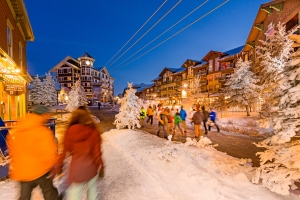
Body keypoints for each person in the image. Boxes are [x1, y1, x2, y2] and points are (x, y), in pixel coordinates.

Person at [7, 105, 62, 200]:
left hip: (22, 170)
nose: (48, 117)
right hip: (40, 170)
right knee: (49, 192)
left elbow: (13, 149)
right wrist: (52, 167)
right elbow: (49, 153)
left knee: (24, 196)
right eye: (47, 115)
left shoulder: (19, 129)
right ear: (43, 115)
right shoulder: (43, 132)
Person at [57, 106, 103, 200]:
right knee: (92, 192)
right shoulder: (93, 131)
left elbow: (64, 152)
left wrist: (59, 166)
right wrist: (101, 166)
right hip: (91, 168)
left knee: (75, 195)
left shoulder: (70, 132)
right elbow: (97, 153)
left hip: (77, 169)